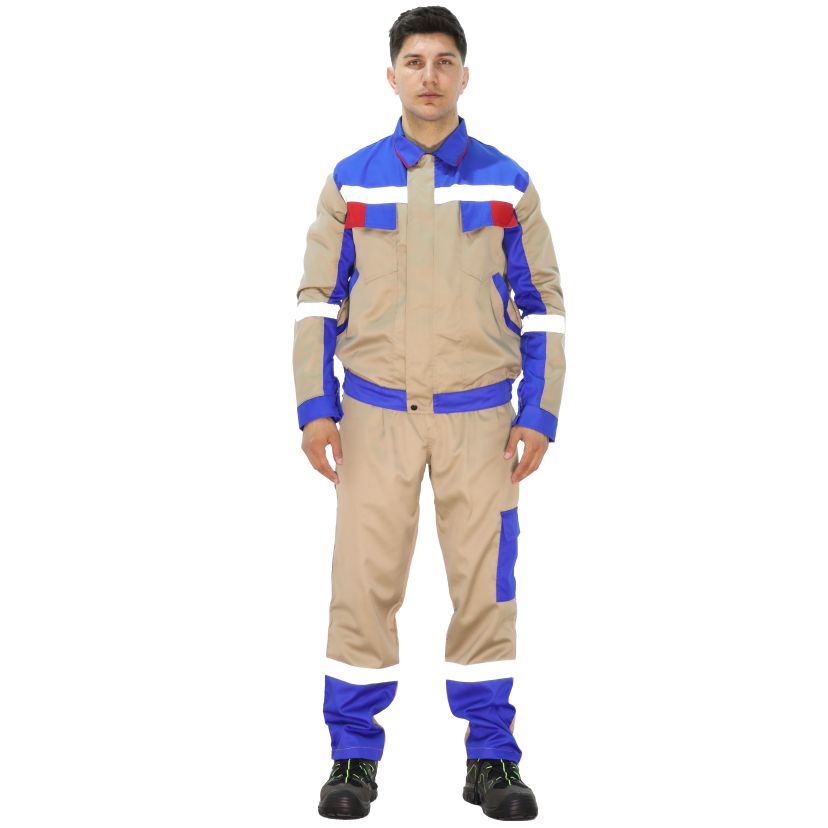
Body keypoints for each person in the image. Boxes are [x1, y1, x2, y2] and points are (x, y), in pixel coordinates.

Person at [292, 7, 565, 820]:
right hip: (373, 417)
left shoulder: (507, 184)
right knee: (362, 586)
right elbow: (317, 301)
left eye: (445, 61)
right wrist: (316, 407)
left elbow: (543, 306)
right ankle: (352, 755)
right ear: (392, 76)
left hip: (481, 421)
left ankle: (492, 758)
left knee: (485, 589)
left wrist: (539, 413)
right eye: (414, 61)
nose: (430, 76)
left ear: (464, 75)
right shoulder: (352, 180)